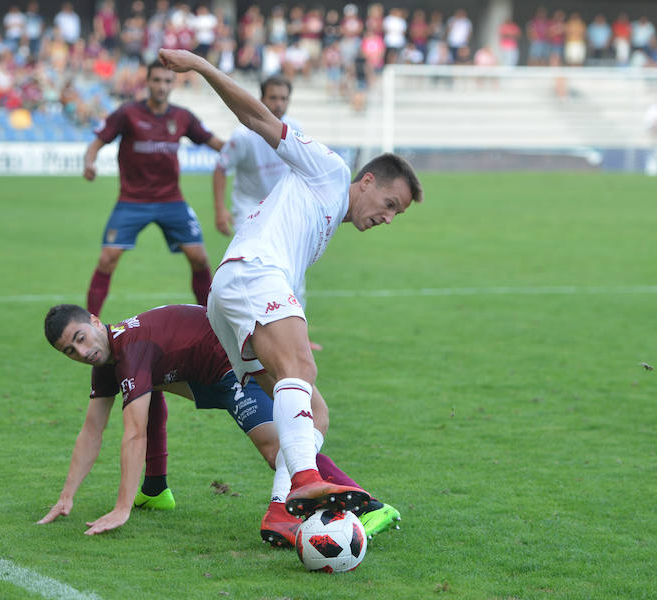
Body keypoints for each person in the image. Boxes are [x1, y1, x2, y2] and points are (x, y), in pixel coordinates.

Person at [158, 48, 423, 517]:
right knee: (302, 365)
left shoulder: (318, 225)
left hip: (237, 289)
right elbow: (259, 117)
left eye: (396, 214)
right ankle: (305, 479)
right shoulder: (330, 169)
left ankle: (281, 511)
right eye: (389, 203)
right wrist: (200, 66)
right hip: (251, 272)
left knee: (314, 411)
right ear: (365, 181)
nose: (387, 217)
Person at [39, 303, 401, 545]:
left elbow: (134, 433)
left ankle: (371, 507)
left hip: (231, 361)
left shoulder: (131, 351)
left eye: (81, 338)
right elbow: (91, 431)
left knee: (278, 449)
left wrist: (121, 509)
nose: (82, 352)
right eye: (70, 351)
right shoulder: (109, 361)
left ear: (96, 323)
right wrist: (66, 495)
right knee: (146, 394)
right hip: (201, 369)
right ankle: (156, 490)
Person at [81, 60, 223, 317]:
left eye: (167, 81)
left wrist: (248, 151)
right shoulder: (127, 113)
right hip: (132, 201)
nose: (161, 86)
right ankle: (90, 322)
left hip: (171, 200)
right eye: (156, 80)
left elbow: (216, 143)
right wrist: (89, 163)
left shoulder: (182, 117)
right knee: (107, 258)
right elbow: (97, 143)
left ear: (173, 84)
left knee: (200, 258)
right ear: (147, 83)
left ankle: (212, 322)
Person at [212, 75, 323, 352]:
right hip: (249, 210)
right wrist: (220, 209)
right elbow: (220, 168)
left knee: (294, 273)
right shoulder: (243, 137)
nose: (278, 104)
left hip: (283, 212)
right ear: (261, 99)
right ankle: (247, 335)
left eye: (283, 98)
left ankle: (299, 337)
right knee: (251, 273)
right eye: (273, 97)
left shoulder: (293, 128)